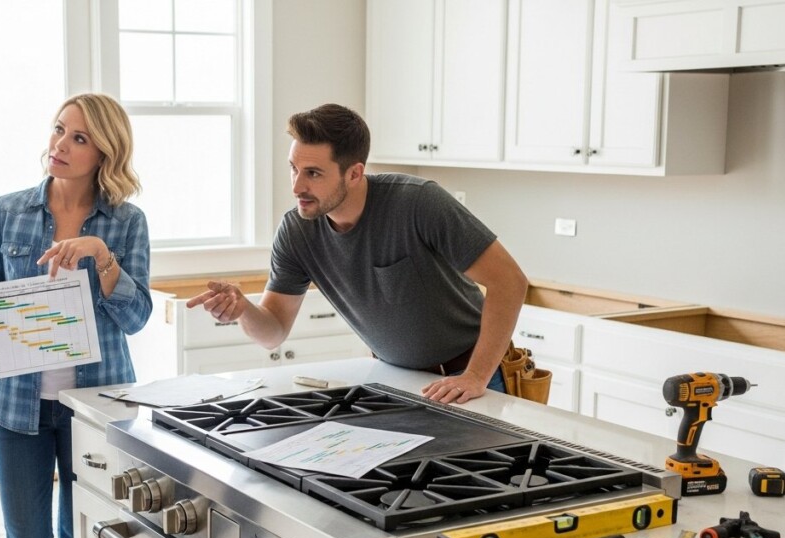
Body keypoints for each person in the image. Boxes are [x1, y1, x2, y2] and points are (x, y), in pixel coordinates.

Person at [188, 103, 529, 405]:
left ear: (354, 173)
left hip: (469, 377)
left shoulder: (418, 203)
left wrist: (476, 376)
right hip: (394, 377)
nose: (296, 186)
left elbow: (510, 282)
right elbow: (273, 331)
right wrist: (243, 308)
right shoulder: (296, 231)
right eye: (293, 168)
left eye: (313, 174)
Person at [0, 92, 152, 538]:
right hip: (14, 406)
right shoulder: (8, 210)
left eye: (79, 137)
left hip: (94, 408)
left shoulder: (125, 223)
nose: (61, 145)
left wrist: (102, 259)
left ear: (105, 151)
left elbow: (136, 316)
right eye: (58, 130)